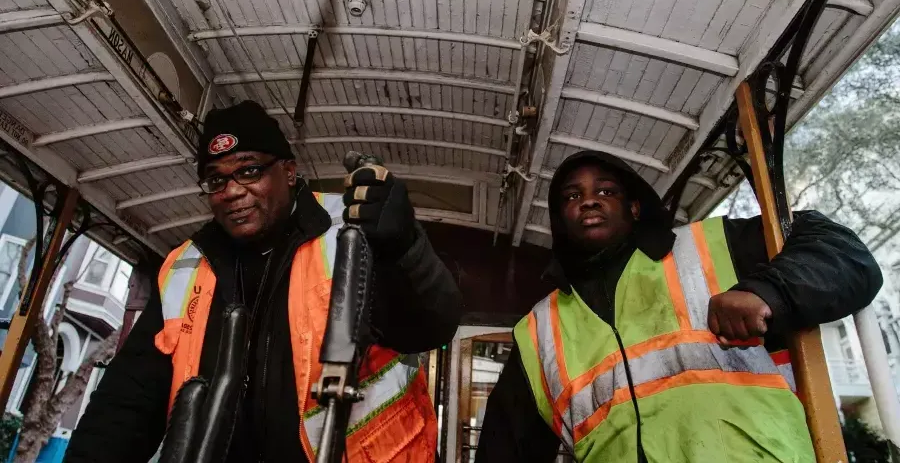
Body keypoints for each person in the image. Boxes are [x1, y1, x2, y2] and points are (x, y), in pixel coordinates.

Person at [66, 101, 463, 462]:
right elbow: (128, 400)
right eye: (216, 179)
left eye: (249, 170)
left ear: (288, 172)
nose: (233, 191)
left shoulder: (353, 229)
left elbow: (431, 325)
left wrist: (404, 246)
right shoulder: (185, 265)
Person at [475, 150, 882, 463]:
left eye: (605, 191)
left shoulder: (712, 245)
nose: (589, 201)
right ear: (561, 219)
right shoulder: (538, 330)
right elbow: (506, 447)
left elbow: (844, 254)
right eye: (572, 196)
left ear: (634, 207)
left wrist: (766, 292)